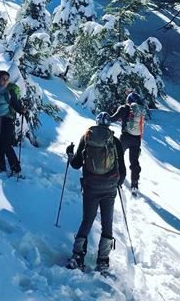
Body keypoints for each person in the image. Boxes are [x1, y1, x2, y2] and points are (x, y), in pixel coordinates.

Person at [65, 112, 126, 273]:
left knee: (87, 220)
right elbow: (123, 171)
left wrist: (70, 154)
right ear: (108, 126)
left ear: (97, 123)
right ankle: (103, 261)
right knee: (107, 223)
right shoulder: (115, 141)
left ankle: (77, 256)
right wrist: (116, 183)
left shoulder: (86, 137)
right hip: (109, 188)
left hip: (90, 186)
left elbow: (77, 164)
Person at [110, 90, 145, 194]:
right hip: (137, 139)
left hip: (125, 137)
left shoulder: (125, 108)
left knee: (117, 156)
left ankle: (117, 176)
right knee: (134, 162)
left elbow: (113, 118)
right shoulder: (140, 110)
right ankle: (134, 184)